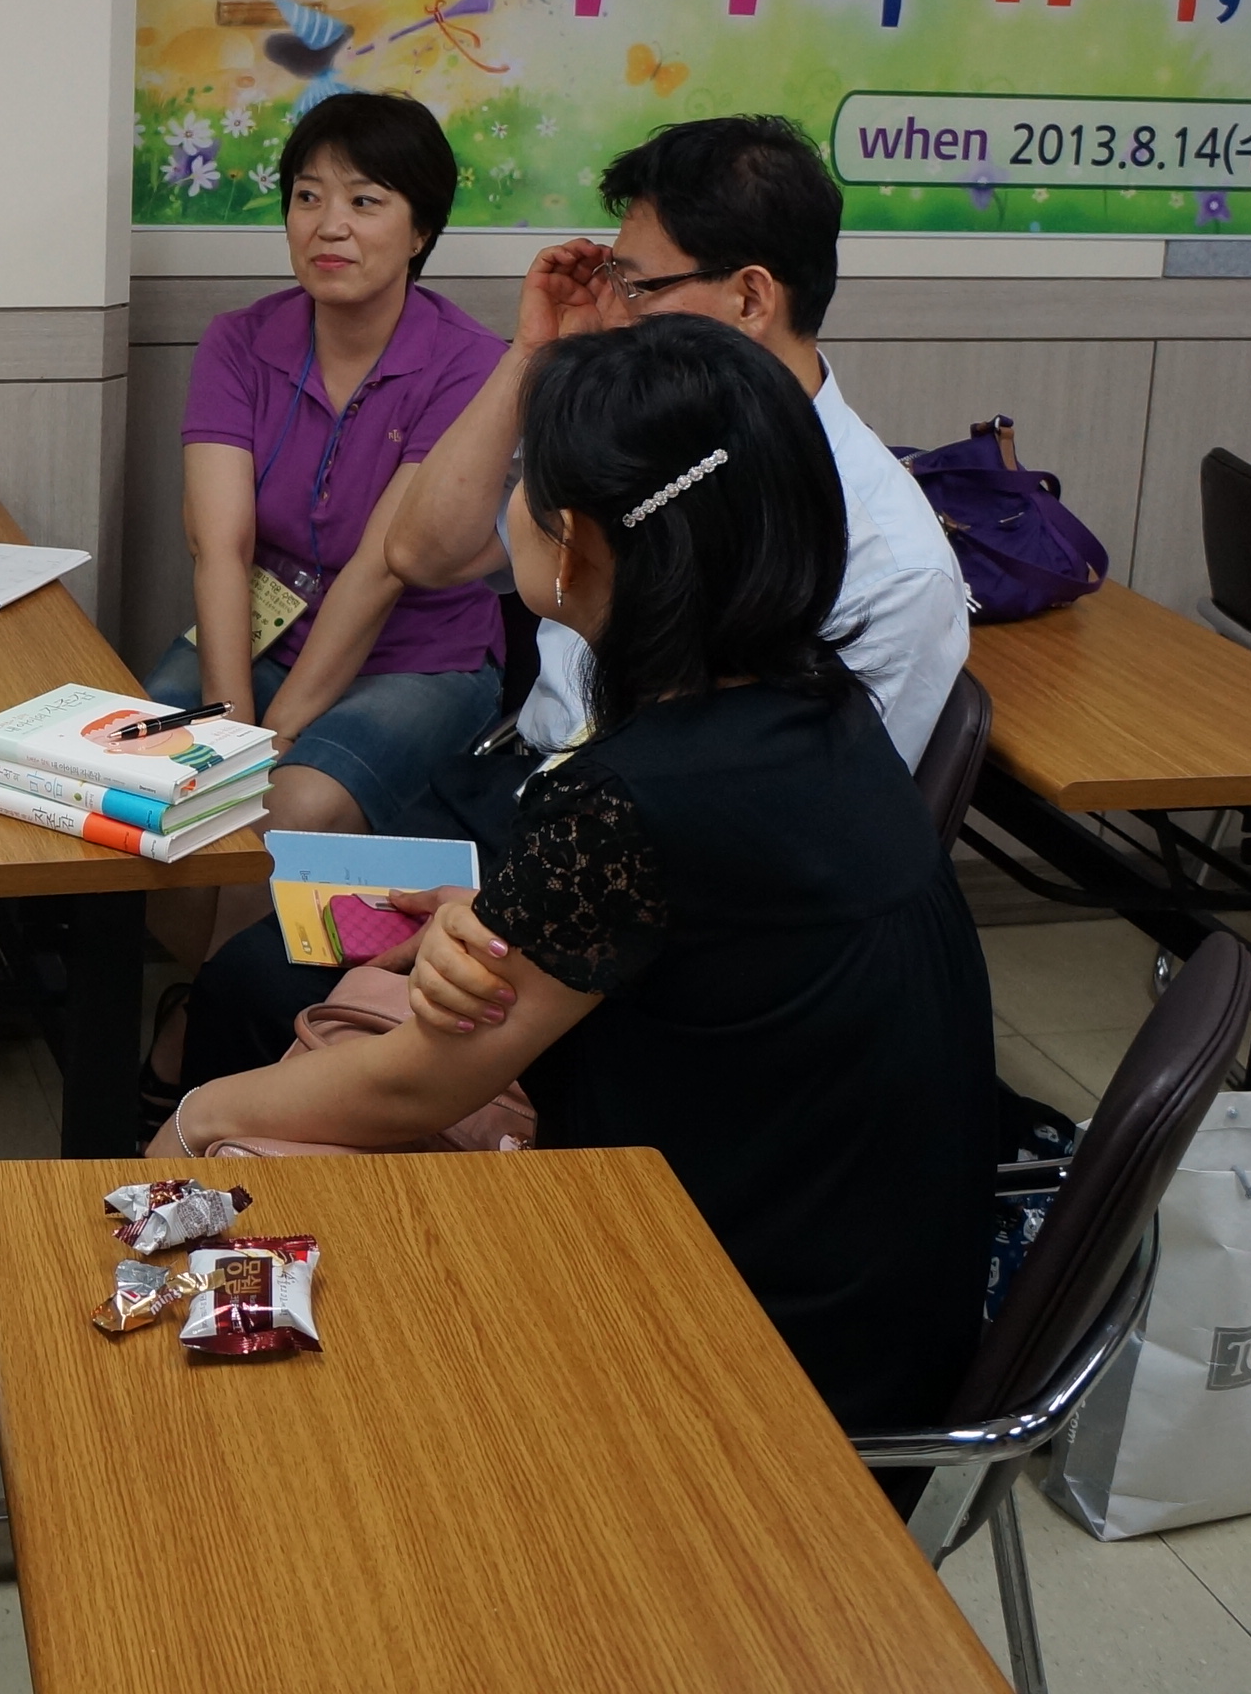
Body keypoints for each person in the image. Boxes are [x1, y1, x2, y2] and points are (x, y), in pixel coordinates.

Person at [157, 315, 997, 1439]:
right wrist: (513, 913)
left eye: (524, 481)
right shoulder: (813, 704)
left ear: (576, 545)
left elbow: (415, 1087)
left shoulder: (630, 796)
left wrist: (195, 1112)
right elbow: (692, 931)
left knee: (214, 1170)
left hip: (743, 1365)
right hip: (866, 1305)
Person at [180, 112, 969, 1088]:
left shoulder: (886, 556)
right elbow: (422, 550)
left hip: (651, 889)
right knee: (265, 953)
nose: (612, 305)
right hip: (530, 797)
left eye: (635, 284)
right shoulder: (647, 430)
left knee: (270, 995)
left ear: (750, 297)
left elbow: (799, 853)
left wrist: (519, 916)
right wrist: (531, 356)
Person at [136, 92, 506, 1102]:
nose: (329, 225)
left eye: (365, 200)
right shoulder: (239, 340)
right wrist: (229, 726)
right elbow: (220, 544)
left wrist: (278, 735)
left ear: (421, 229)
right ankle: (209, 1002)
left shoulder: (469, 364)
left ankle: (208, 1053)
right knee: (166, 784)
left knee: (286, 802)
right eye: (307, 196)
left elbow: (387, 565)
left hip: (421, 651)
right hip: (259, 621)